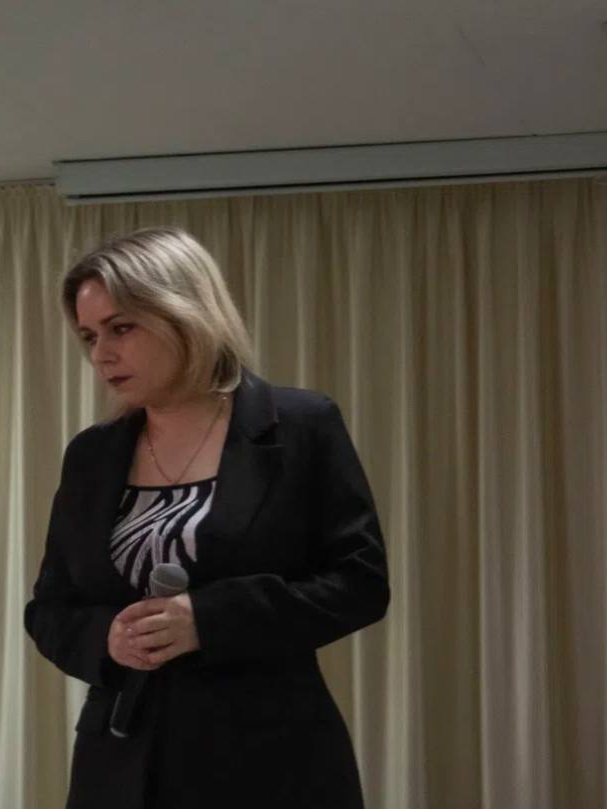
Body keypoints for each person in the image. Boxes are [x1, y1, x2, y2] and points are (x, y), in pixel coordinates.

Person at [24, 226, 390, 809]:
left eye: (121, 328)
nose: (101, 354)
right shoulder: (92, 455)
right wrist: (107, 638)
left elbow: (360, 584)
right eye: (89, 336)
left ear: (183, 313)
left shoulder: (301, 426)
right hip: (121, 766)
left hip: (270, 762)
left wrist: (209, 619)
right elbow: (49, 610)